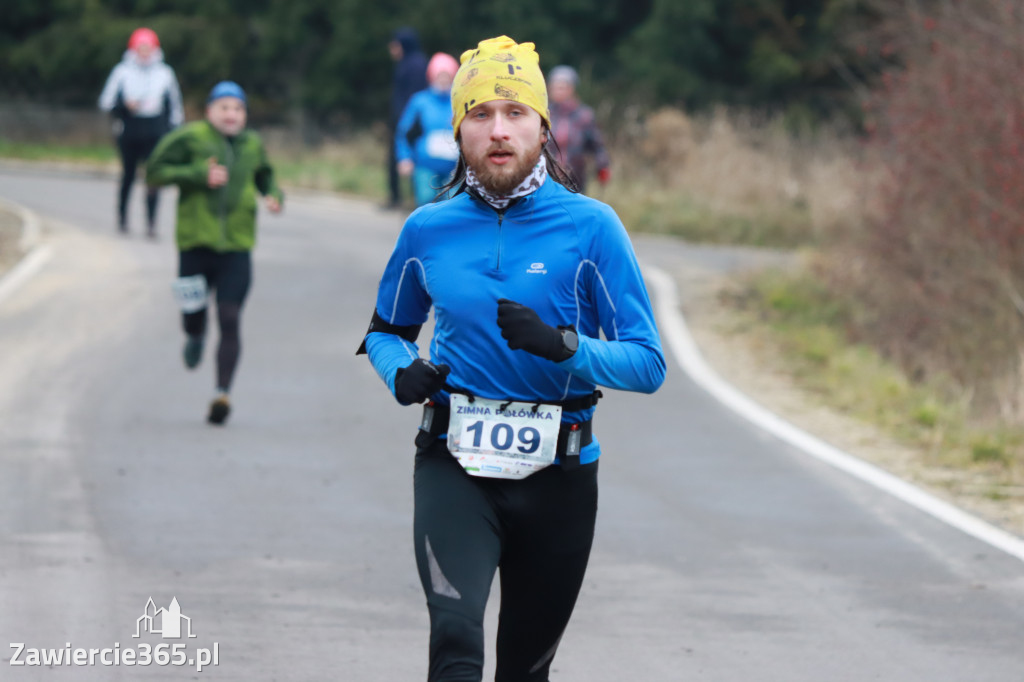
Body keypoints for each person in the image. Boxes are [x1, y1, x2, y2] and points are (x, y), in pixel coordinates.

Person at [356, 36, 665, 681]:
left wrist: (565, 348)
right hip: (453, 466)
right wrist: (400, 374)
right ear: (459, 130)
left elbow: (647, 363)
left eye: (516, 112)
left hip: (560, 479)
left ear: (543, 127)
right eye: (480, 114)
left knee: (524, 672)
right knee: (456, 640)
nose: (499, 130)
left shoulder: (592, 226)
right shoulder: (428, 228)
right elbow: (386, 332)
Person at [146, 81, 283, 425]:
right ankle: (193, 335)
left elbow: (266, 177)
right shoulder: (190, 137)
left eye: (237, 109)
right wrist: (196, 174)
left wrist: (273, 195)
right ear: (209, 111)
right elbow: (153, 171)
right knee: (193, 315)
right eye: (224, 107)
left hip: (236, 247)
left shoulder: (252, 144)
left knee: (230, 318)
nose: (231, 114)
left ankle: (222, 394)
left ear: (244, 115)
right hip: (194, 244)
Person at [98, 27, 184, 237]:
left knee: (153, 177)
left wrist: (173, 132)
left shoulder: (165, 73)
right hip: (130, 130)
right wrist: (126, 105)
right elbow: (106, 102)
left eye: (148, 48)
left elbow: (175, 108)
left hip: (155, 131)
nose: (144, 52)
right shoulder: (122, 71)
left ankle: (151, 223)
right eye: (141, 48)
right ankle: (123, 218)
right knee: (128, 175)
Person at [394, 52, 460, 206]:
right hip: (425, 166)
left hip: (454, 169)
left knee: (452, 208)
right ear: (432, 76)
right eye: (440, 75)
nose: (443, 80)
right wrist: (404, 158)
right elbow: (403, 132)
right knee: (426, 203)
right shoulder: (420, 101)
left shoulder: (459, 102)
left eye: (447, 76)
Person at [547, 65, 611, 194]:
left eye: (562, 87)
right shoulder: (545, 114)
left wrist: (602, 167)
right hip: (547, 178)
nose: (558, 91)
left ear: (571, 89)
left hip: (576, 178)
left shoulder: (584, 116)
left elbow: (597, 146)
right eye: (555, 87)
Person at [386, 27, 429, 209]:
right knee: (397, 158)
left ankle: (409, 199)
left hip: (411, 122)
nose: (392, 50)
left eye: (395, 46)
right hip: (403, 119)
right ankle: (398, 197)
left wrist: (405, 119)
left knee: (408, 159)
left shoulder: (417, 65)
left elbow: (414, 97)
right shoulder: (406, 63)